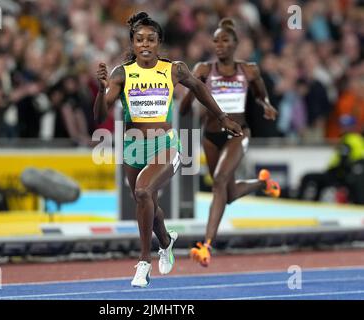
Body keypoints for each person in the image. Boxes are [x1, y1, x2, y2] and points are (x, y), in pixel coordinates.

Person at [93, 12, 242, 287]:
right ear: (133, 44)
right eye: (139, 40)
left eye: (151, 39)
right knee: (147, 201)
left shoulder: (174, 69)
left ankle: (142, 262)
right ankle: (165, 239)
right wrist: (102, 92)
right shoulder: (122, 73)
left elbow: (199, 88)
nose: (145, 44)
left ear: (159, 41)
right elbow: (99, 115)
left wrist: (222, 117)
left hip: (166, 143)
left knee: (142, 190)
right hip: (133, 147)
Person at [180, 18, 280, 267]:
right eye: (215, 41)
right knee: (229, 193)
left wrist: (266, 104)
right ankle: (263, 182)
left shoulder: (249, 70)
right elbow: (184, 109)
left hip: (238, 134)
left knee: (220, 183)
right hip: (210, 137)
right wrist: (192, 89)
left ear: (236, 44)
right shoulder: (204, 69)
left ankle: (206, 245)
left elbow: (260, 93)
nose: (219, 45)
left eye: (225, 40)